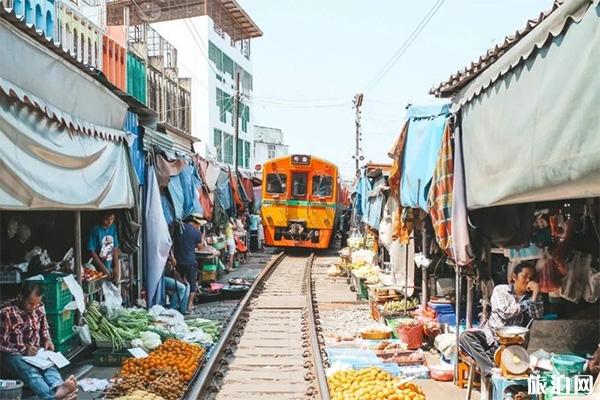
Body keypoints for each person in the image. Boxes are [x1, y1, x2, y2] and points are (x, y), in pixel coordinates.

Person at [459, 262, 544, 379]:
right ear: (514, 277)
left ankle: (486, 365)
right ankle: (489, 369)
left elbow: (537, 315)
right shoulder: (501, 290)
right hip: (490, 337)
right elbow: (505, 313)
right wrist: (527, 303)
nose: (528, 280)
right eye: (525, 276)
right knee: (465, 336)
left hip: (512, 343)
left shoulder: (531, 297)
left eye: (531, 278)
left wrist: (535, 296)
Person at [0, 282, 78, 400]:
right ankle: (51, 397)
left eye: (36, 303)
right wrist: (24, 349)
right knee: (31, 372)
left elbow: (44, 329)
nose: (34, 307)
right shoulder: (6, 313)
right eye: (30, 303)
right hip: (12, 355)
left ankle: (59, 388)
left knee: (49, 367)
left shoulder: (39, 307)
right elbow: (1, 343)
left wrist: (47, 341)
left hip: (35, 353)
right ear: (21, 297)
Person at [174, 213, 206, 313]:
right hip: (190, 261)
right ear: (196, 223)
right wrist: (202, 236)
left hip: (178, 261)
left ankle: (180, 304)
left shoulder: (179, 228)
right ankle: (189, 305)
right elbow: (200, 247)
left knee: (180, 283)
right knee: (192, 284)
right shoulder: (197, 232)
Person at [87, 210, 120, 284]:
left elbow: (115, 248)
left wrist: (116, 267)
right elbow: (92, 251)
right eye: (106, 220)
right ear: (101, 218)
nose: (109, 222)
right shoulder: (95, 229)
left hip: (109, 267)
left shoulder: (113, 227)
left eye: (112, 219)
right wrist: (103, 269)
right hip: (97, 269)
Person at [163, 249, 190, 315]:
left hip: (170, 275)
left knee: (187, 285)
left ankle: (182, 309)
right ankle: (172, 309)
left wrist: (172, 258)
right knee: (181, 288)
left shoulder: (170, 252)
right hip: (162, 277)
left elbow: (174, 263)